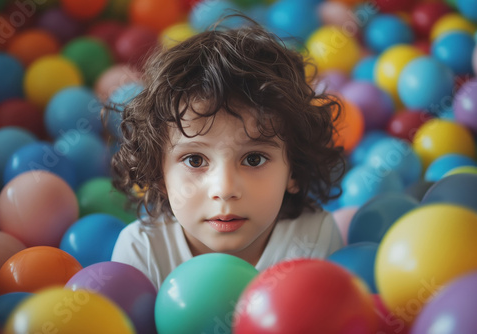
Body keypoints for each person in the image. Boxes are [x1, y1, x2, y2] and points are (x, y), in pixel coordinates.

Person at [109, 15, 345, 290]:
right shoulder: (144, 252)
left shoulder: (313, 239)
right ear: (160, 175)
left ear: (293, 169)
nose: (225, 189)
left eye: (254, 159)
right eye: (195, 160)